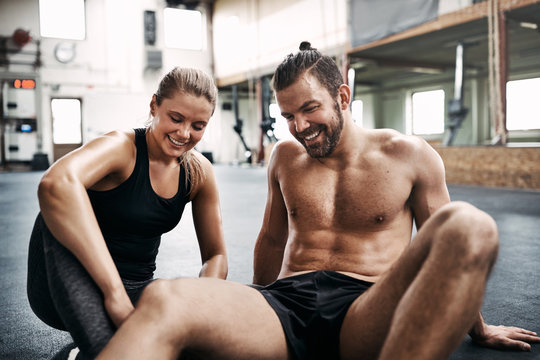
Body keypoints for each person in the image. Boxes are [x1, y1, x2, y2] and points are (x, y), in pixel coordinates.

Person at [97, 43, 540, 360]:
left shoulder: (408, 155)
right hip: (286, 305)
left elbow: (446, 249)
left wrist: (477, 328)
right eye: (288, 115)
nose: (299, 126)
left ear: (343, 97)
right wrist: (251, 308)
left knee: (469, 225)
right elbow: (272, 240)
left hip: (366, 306)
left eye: (310, 109)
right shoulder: (285, 157)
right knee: (166, 299)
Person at [27, 67, 228, 359]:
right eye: (175, 118)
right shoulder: (122, 148)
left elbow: (216, 255)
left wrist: (200, 302)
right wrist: (114, 294)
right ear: (154, 105)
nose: (184, 133)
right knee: (56, 208)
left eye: (198, 125)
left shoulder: (198, 172)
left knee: (195, 342)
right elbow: (54, 183)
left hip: (134, 288)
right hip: (65, 284)